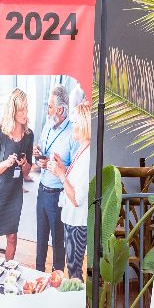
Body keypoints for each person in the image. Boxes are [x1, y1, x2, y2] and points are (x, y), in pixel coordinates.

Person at [0, 89, 33, 261]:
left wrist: (24, 164)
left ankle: (8, 270)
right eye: (21, 110)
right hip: (0, 194)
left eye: (26, 108)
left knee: (12, 237)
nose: (25, 113)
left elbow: (27, 171)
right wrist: (6, 163)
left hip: (15, 194)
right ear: (13, 111)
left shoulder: (29, 135)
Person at [33, 84, 73, 274]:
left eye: (50, 107)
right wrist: (38, 156)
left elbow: (75, 169)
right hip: (42, 190)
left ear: (61, 109)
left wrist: (59, 168)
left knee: (58, 241)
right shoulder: (47, 125)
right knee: (41, 237)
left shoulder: (73, 133)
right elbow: (41, 151)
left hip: (59, 196)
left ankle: (57, 278)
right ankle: (38, 273)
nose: (47, 110)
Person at [59, 100, 92, 280]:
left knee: (74, 269)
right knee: (72, 266)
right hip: (72, 219)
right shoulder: (82, 149)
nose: (72, 126)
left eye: (75, 122)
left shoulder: (87, 156)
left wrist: (60, 175)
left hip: (77, 222)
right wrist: (62, 169)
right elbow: (74, 180)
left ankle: (76, 296)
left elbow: (77, 198)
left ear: (84, 124)